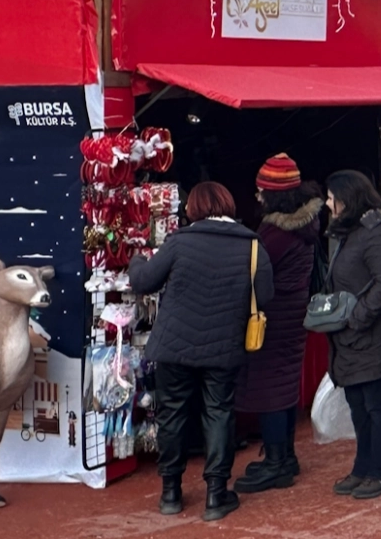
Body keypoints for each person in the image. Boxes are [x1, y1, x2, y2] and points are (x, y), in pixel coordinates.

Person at [130, 181, 274, 520]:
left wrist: (137, 259)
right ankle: (215, 494)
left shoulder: (179, 241)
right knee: (219, 413)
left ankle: (170, 493)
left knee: (172, 415)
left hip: (174, 345)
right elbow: (265, 295)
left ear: (192, 209)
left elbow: (143, 281)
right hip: (224, 346)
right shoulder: (253, 246)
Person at [317, 169, 381, 500]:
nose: (328, 203)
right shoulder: (347, 232)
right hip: (351, 337)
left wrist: (357, 317)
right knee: (359, 405)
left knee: (378, 405)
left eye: (332, 198)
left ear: (348, 198)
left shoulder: (377, 233)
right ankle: (364, 466)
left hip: (375, 336)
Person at [235, 155, 323, 495]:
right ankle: (284, 456)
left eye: (261, 191)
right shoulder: (304, 226)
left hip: (272, 317)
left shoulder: (275, 234)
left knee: (270, 390)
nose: (256, 196)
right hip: (294, 315)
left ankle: (276, 463)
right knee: (285, 387)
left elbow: (256, 273)